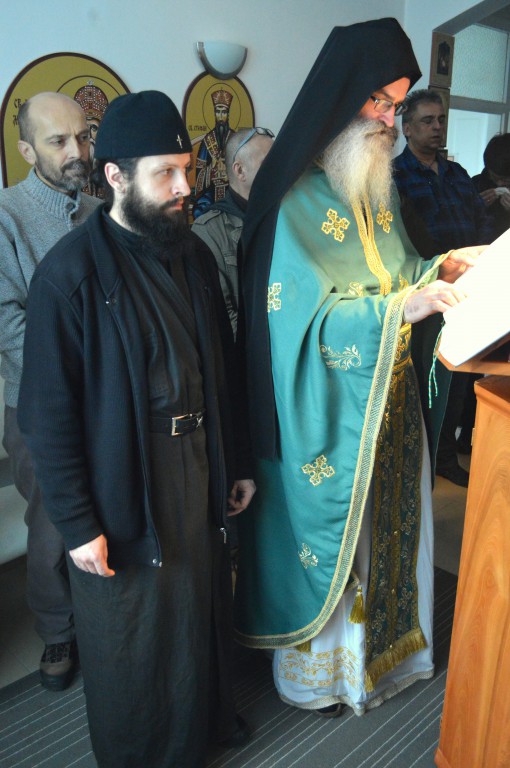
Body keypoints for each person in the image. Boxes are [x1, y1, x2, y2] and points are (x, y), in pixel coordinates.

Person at [233, 19, 483, 719]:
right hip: (333, 416)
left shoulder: (374, 189)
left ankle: (388, 661)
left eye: (397, 105)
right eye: (380, 102)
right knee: (347, 541)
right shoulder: (291, 200)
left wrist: (440, 270)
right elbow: (299, 324)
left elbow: (399, 276)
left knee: (391, 537)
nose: (390, 122)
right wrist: (399, 308)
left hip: (390, 404)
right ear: (342, 98)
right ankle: (329, 678)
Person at [17, 90, 256, 768]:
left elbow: (222, 368)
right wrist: (75, 523)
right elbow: (47, 417)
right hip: (124, 473)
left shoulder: (192, 254)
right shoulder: (69, 275)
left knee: (197, 607)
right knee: (136, 628)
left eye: (188, 170)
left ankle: (204, 727)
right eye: (166, 173)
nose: (185, 187)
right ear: (115, 176)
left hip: (198, 461)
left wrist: (236, 460)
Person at [0, 91, 100, 690]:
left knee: (104, 507)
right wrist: (78, 372)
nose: (76, 151)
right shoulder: (6, 215)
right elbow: (6, 321)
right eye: (58, 141)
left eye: (83, 137)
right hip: (38, 404)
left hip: (104, 399)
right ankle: (57, 630)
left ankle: (103, 617)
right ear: (26, 149)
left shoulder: (101, 210)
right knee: (52, 521)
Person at [393, 89, 492, 487]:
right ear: (407, 128)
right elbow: (405, 241)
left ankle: (447, 455)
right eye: (427, 121)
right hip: (426, 292)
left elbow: (482, 221)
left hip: (469, 290)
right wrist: (439, 269)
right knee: (428, 380)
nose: (437, 127)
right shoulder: (395, 177)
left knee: (461, 379)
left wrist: (482, 262)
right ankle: (424, 458)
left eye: (441, 120)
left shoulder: (458, 174)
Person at [192, 126, 274, 336]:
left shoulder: (284, 216)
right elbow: (223, 314)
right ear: (240, 171)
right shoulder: (209, 230)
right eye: (268, 162)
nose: (279, 168)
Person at [193, 88, 235, 218]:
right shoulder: (207, 141)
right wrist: (212, 168)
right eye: (218, 112)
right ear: (214, 114)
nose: (221, 117)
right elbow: (199, 174)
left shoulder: (235, 138)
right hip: (211, 191)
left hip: (231, 191)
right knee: (199, 211)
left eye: (224, 112)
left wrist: (228, 174)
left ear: (228, 114)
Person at [472, 133, 510, 242]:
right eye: (495, 178)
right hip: (480, 247)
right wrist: (475, 208)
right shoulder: (475, 184)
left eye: (505, 179)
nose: (499, 184)